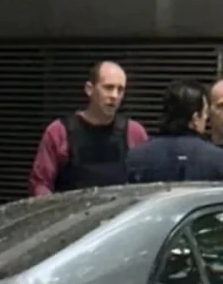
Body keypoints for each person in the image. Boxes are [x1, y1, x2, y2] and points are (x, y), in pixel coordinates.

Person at [28, 61, 148, 196]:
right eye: (108, 88)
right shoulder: (59, 132)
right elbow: (41, 184)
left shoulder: (134, 132)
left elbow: (147, 184)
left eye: (120, 90)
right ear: (89, 89)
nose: (115, 96)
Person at [126, 80, 223, 184]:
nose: (206, 118)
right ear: (195, 118)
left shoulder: (136, 159)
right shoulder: (222, 161)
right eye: (205, 113)